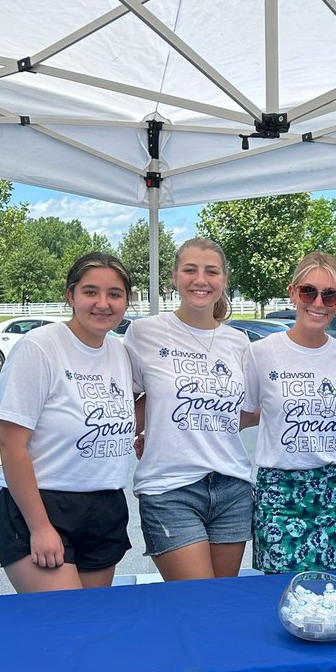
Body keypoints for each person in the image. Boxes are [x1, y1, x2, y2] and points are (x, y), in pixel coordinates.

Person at [0, 252, 136, 593]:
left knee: (93, 618)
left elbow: (134, 406)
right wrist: (40, 526)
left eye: (114, 294)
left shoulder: (119, 352)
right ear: (70, 295)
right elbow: (10, 443)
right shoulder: (40, 347)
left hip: (105, 504)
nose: (103, 303)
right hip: (43, 503)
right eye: (90, 292)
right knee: (66, 620)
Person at [124, 237, 257, 581]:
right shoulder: (145, 333)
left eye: (211, 271)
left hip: (232, 487)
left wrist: (200, 422)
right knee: (197, 598)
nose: (201, 280)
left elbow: (246, 411)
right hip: (169, 489)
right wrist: (151, 429)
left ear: (224, 279)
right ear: (174, 276)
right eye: (190, 270)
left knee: (220, 600)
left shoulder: (239, 342)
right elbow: (125, 401)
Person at [244, 251, 336, 574]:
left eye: (330, 295)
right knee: (280, 593)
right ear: (292, 293)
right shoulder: (259, 353)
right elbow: (242, 416)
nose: (318, 303)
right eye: (308, 292)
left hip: (335, 492)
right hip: (278, 493)